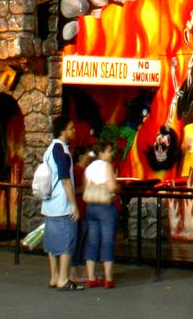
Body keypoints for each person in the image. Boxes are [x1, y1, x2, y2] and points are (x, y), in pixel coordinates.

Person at [41, 116, 83, 291]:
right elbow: (65, 179)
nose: (74, 130)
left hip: (50, 203)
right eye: (71, 127)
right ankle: (64, 279)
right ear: (63, 130)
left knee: (52, 242)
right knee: (67, 240)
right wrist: (74, 205)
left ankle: (54, 276)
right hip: (62, 204)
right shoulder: (62, 151)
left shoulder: (50, 149)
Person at [83, 141, 119, 288]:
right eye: (109, 151)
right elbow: (111, 186)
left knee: (92, 242)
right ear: (101, 153)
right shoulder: (107, 166)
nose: (111, 153)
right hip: (106, 207)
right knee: (107, 242)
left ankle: (91, 277)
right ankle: (108, 278)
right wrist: (118, 188)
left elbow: (86, 186)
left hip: (91, 206)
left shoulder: (89, 167)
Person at [69, 146, 94, 283]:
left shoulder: (86, 170)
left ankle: (82, 269)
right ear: (80, 156)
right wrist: (84, 188)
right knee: (79, 239)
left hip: (87, 208)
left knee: (85, 240)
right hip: (80, 208)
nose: (90, 156)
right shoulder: (75, 171)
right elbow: (72, 190)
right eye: (87, 153)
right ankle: (74, 269)